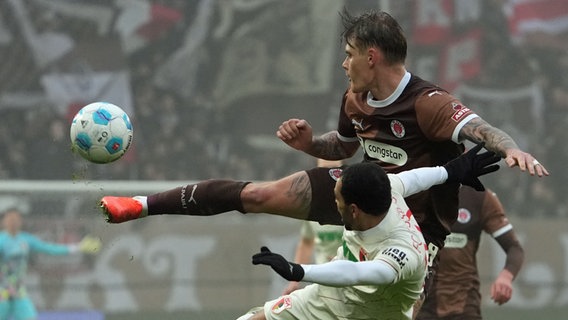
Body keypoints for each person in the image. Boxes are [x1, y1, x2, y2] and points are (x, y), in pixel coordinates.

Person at [100, 8, 546, 289]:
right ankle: (139, 205)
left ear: (372, 56)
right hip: (362, 192)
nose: (343, 63)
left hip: (412, 231)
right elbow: (343, 147)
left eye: (350, 53)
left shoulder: (428, 104)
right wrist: (309, 144)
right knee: (256, 195)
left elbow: (482, 130)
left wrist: (512, 149)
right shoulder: (354, 99)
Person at [236, 146, 499, 320]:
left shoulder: (404, 250)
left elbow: (358, 273)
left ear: (354, 209)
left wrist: (299, 271)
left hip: (372, 314)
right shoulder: (389, 188)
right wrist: (451, 171)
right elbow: (417, 178)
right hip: (330, 298)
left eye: (336, 199)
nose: (332, 203)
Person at [416, 185, 525, 320]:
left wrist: (505, 278)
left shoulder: (479, 197)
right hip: (421, 304)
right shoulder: (416, 193)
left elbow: (514, 248)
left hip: (465, 305)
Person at [0, 208, 101, 320]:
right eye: (10, 219)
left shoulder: (25, 239)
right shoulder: (2, 240)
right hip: (2, 292)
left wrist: (78, 247)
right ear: (4, 221)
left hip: (18, 292)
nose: (13, 221)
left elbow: (50, 249)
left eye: (16, 219)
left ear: (20, 221)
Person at [282, 159, 344, 295]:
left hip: (352, 280)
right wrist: (294, 281)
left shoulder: (354, 207)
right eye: (325, 171)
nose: (330, 177)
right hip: (324, 283)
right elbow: (306, 242)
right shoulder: (313, 209)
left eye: (334, 171)